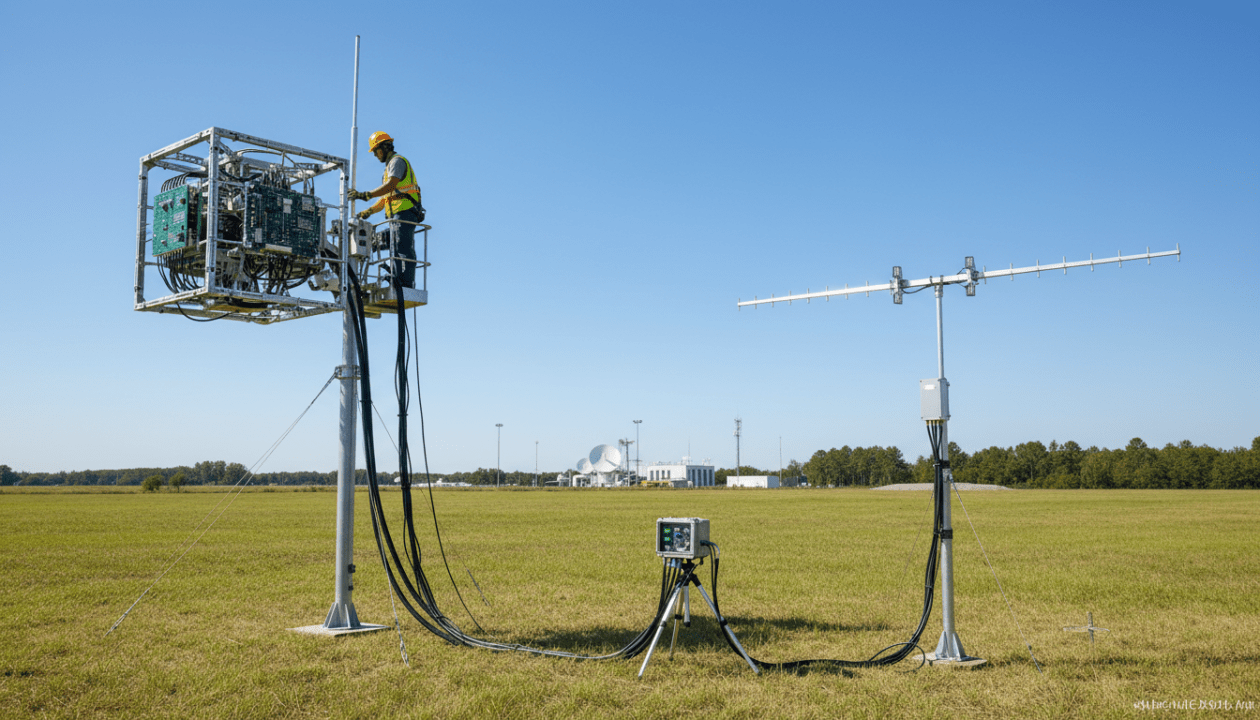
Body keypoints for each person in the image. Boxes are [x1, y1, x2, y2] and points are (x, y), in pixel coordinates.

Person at [348, 131, 425, 289]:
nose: (376, 155)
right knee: (393, 246)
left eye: (376, 151)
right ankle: (397, 279)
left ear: (383, 147)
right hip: (397, 214)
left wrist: (366, 195)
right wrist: (368, 212)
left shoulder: (397, 162)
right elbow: (386, 198)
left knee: (402, 248)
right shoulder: (389, 168)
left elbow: (390, 186)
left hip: (405, 211)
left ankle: (405, 283)